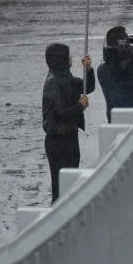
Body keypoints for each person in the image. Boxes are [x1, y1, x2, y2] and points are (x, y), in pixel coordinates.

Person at [41, 43, 95, 204]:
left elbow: (87, 87)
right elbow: (59, 113)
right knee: (61, 186)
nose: (71, 58)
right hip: (58, 140)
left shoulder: (65, 76)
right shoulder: (52, 83)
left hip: (70, 136)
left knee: (71, 181)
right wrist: (80, 106)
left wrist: (88, 70)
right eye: (68, 55)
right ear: (61, 59)